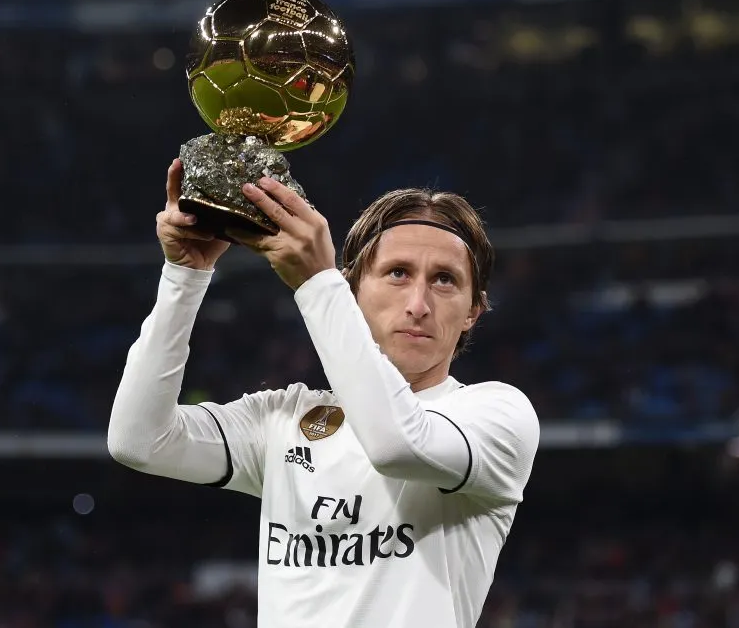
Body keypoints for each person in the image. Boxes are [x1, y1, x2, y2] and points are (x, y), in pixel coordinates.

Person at [108, 159, 540, 628]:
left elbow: (395, 444)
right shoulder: (284, 418)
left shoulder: (496, 416)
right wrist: (183, 277)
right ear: (355, 289)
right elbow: (139, 440)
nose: (418, 305)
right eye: (397, 273)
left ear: (473, 311)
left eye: (444, 280)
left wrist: (317, 282)